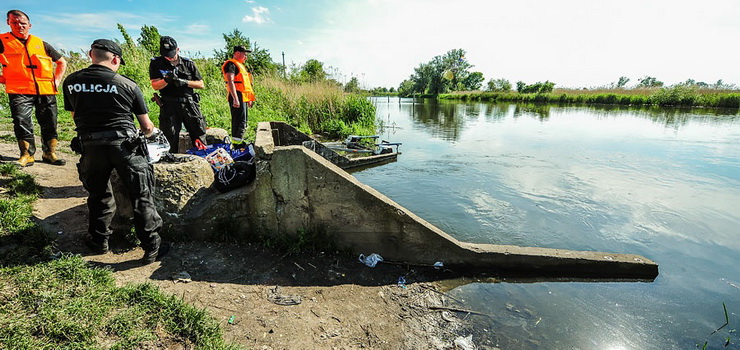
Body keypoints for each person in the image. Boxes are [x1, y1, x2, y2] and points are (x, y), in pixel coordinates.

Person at [62, 39, 168, 265]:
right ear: (116, 59)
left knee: (99, 195)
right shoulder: (126, 84)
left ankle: (99, 241)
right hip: (124, 147)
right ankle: (151, 246)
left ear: (91, 54)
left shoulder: (71, 82)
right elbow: (147, 127)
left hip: (90, 146)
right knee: (141, 195)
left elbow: (75, 116)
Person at [0, 9, 67, 167]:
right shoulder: (2, 41)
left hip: (45, 90)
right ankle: (26, 155)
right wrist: (3, 78)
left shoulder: (41, 43)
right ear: (8, 23)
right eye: (14, 22)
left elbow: (62, 62)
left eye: (23, 23)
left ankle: (49, 153)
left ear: (29, 25)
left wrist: (56, 81)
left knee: (50, 122)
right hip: (19, 90)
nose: (19, 26)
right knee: (22, 122)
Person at [149, 35, 206, 153]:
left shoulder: (188, 63)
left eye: (171, 54)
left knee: (199, 134)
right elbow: (155, 85)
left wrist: (184, 82)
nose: (169, 58)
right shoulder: (156, 63)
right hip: (169, 104)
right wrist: (166, 80)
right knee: (169, 137)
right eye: (166, 55)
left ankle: (202, 158)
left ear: (177, 50)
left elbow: (200, 84)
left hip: (189, 103)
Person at [221, 45, 256, 144]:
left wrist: (249, 99)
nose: (246, 57)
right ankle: (237, 146)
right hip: (237, 96)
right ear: (237, 53)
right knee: (239, 122)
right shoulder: (231, 64)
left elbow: (245, 85)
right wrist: (235, 98)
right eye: (244, 54)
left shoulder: (240, 65)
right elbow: (230, 81)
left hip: (242, 97)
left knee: (243, 122)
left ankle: (239, 143)